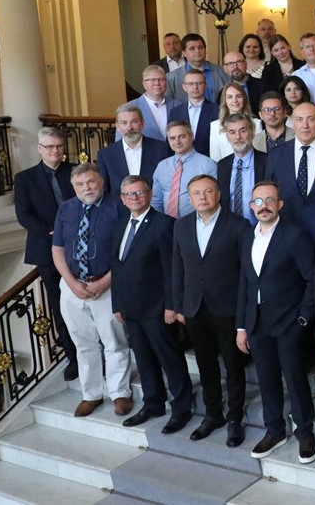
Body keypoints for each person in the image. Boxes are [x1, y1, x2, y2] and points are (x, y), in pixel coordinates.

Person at [236, 181, 315, 463]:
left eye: (270, 200)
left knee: (295, 379)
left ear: (279, 204)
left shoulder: (295, 236)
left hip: (289, 323)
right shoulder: (248, 237)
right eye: (258, 202)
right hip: (257, 323)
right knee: (267, 380)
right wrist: (241, 327)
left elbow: (313, 280)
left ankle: (305, 433)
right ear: (251, 206)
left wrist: (303, 319)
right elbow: (245, 284)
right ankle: (275, 430)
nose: (264, 206)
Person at [111, 175, 193, 433]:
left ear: (149, 194)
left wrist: (172, 305)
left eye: (139, 193)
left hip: (158, 308)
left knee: (170, 359)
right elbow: (117, 267)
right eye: (129, 194)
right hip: (131, 308)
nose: (134, 198)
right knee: (144, 359)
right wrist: (117, 304)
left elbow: (173, 269)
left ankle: (181, 408)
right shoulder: (120, 224)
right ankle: (153, 403)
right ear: (123, 199)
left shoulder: (164, 224)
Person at [172, 174, 250, 446]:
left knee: (233, 366)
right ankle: (213, 413)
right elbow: (177, 268)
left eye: (207, 192)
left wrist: (243, 313)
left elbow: (246, 273)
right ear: (190, 198)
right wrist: (179, 304)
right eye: (196, 193)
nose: (202, 197)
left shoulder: (238, 225)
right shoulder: (181, 227)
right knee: (206, 365)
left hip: (227, 308)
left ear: (218, 195)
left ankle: (235, 418)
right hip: (195, 308)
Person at [51, 164, 132, 418]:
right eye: (80, 184)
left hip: (106, 285)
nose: (86, 188)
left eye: (91, 182)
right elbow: (58, 249)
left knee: (114, 341)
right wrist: (71, 282)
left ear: (101, 183)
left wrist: (105, 282)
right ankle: (91, 394)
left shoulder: (117, 207)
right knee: (83, 342)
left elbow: (126, 251)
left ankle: (120, 393)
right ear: (74, 187)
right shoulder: (66, 209)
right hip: (73, 286)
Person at [14, 127, 78, 379]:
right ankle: (72, 357)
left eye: (59, 146)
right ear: (40, 149)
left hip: (81, 247)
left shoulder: (76, 171)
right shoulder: (25, 178)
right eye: (50, 147)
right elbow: (24, 215)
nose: (55, 151)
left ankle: (98, 351)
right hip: (46, 249)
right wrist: (53, 233)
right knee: (60, 305)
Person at [264, 101, 315, 233]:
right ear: (292, 123)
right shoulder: (276, 154)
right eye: (299, 120)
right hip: (287, 226)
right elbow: (269, 190)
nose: (305, 125)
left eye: (311, 119)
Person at [150, 121, 218, 218]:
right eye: (172, 138)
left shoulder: (208, 165)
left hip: (197, 224)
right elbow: (156, 200)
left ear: (191, 136)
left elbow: (214, 199)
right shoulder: (162, 166)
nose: (177, 142)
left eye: (182, 137)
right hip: (166, 224)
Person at [98, 104, 169, 195]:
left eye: (134, 122)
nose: (129, 127)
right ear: (118, 126)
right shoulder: (106, 155)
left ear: (142, 124)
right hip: (119, 207)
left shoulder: (161, 149)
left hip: (154, 206)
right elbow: (105, 189)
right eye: (124, 123)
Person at [217, 113, 266, 225]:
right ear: (227, 137)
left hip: (260, 228)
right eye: (232, 132)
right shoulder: (222, 165)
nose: (238, 137)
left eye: (243, 131)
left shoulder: (267, 161)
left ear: (252, 133)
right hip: (230, 229)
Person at [167, 68, 220, 156]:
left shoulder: (217, 110)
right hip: (182, 162)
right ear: (184, 87)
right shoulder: (175, 112)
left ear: (205, 85)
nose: (195, 87)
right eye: (191, 84)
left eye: (199, 83)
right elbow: (170, 140)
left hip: (209, 160)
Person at [209, 82, 262, 161]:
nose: (235, 100)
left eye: (239, 96)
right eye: (230, 97)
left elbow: (259, 154)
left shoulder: (256, 123)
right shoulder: (215, 125)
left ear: (244, 99)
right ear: (225, 101)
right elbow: (215, 158)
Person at [165, 33, 222, 103]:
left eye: (200, 47)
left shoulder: (222, 72)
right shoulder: (171, 78)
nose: (197, 51)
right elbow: (169, 104)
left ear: (205, 50)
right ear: (184, 53)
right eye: (192, 48)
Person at [129, 65, 177, 143]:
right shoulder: (130, 107)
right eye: (152, 80)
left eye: (161, 79)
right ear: (144, 84)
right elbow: (121, 140)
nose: (157, 83)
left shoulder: (178, 105)